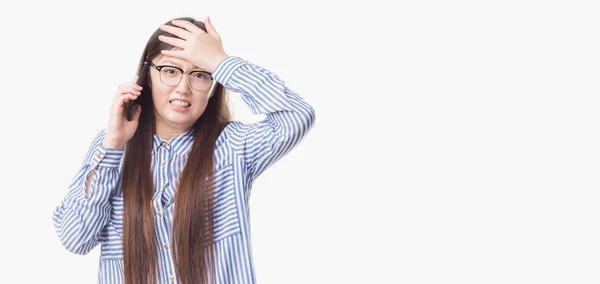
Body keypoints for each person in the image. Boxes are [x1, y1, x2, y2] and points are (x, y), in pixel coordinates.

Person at [52, 16, 315, 284]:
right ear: (148, 76)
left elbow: (296, 116)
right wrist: (112, 147)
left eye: (200, 74)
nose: (183, 88)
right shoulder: (112, 149)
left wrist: (221, 61)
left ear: (213, 84)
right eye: (170, 70)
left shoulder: (233, 146)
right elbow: (75, 239)